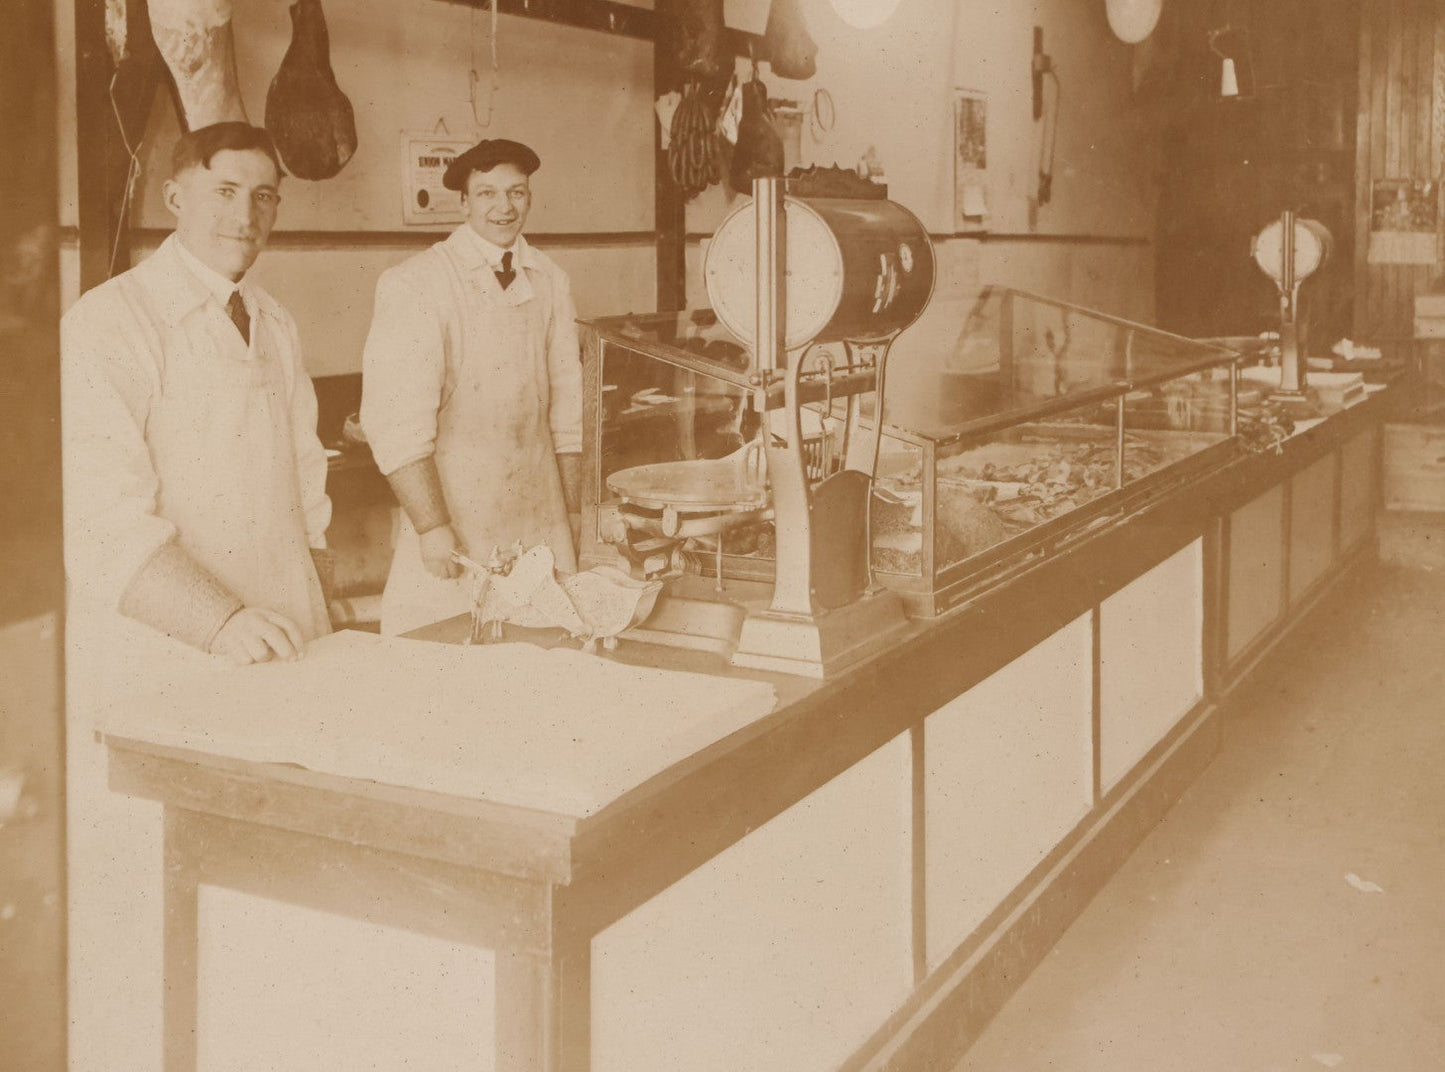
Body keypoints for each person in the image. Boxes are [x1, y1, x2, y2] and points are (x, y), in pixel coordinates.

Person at [60, 121, 332, 1070]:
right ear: (175, 197)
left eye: (265, 196)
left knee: (272, 911)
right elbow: (99, 525)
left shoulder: (276, 320)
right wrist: (221, 623)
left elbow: (303, 481)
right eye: (225, 190)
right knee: (160, 915)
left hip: (280, 641)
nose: (246, 214)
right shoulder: (108, 323)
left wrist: (320, 606)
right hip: (168, 654)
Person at [361, 138, 582, 636]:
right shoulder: (417, 282)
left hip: (538, 515)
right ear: (463, 202)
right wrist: (431, 526)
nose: (503, 208)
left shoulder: (550, 279)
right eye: (486, 194)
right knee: (446, 661)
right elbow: (394, 425)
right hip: (457, 520)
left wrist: (571, 510)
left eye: (517, 193)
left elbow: (569, 410)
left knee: (544, 662)